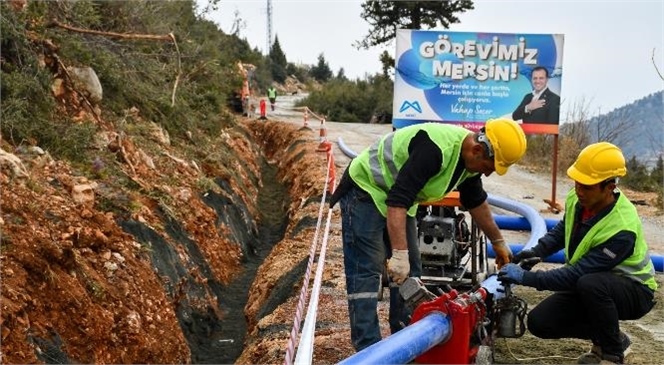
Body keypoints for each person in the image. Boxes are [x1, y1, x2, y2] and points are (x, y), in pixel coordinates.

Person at [330, 118, 528, 352]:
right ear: (477, 150)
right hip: (366, 189)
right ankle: (369, 350)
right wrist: (399, 255)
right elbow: (397, 201)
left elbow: (476, 201)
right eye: (489, 167)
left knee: (411, 271)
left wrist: (499, 243)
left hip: (399, 200)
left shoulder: (468, 161)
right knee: (367, 270)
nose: (488, 174)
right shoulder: (435, 150)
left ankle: (404, 341)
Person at [498, 142, 658, 365]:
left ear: (610, 186)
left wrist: (528, 278)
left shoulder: (622, 228)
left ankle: (611, 355)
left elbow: (575, 275)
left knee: (591, 284)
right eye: (577, 183)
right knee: (540, 322)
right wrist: (537, 251)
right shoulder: (580, 198)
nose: (579, 191)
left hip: (634, 292)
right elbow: (564, 229)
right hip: (591, 283)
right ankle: (613, 338)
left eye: (588, 187)